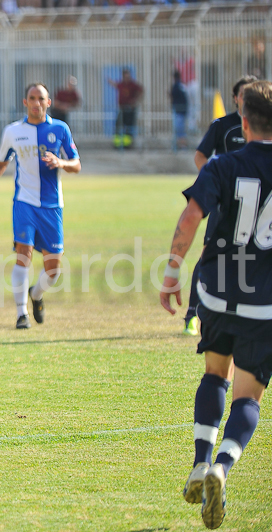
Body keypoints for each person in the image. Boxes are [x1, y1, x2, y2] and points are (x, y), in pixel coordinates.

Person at [160, 80, 272, 530]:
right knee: (249, 393)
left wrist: (172, 271)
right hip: (265, 304)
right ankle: (222, 467)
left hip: (218, 292)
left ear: (242, 121)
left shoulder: (225, 163)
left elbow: (191, 217)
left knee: (214, 373)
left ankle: (199, 462)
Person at [0, 83, 81, 329]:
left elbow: (76, 164)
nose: (36, 102)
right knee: (23, 256)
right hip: (24, 202)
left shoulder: (60, 129)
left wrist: (60, 162)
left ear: (48, 102)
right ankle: (21, 315)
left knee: (53, 270)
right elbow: (0, 163)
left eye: (41, 98)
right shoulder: (13, 131)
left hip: (52, 207)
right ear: (24, 102)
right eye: (32, 98)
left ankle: (36, 294)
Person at [183, 75, 258, 336]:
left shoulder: (264, 127)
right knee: (208, 256)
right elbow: (200, 155)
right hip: (226, 206)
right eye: (244, 94)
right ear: (236, 98)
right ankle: (192, 315)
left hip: (256, 205)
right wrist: (216, 184)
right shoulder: (222, 126)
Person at [108, 69, 143, 149]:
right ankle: (117, 144)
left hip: (130, 109)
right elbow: (116, 85)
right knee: (119, 124)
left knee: (128, 126)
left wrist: (135, 100)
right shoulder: (122, 84)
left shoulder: (132, 85)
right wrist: (110, 82)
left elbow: (141, 90)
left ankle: (127, 145)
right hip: (122, 108)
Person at [170, 70, 188, 151]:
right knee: (181, 129)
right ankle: (181, 146)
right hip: (183, 110)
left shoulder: (176, 86)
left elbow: (173, 95)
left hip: (178, 110)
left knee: (179, 129)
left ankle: (181, 147)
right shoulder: (182, 85)